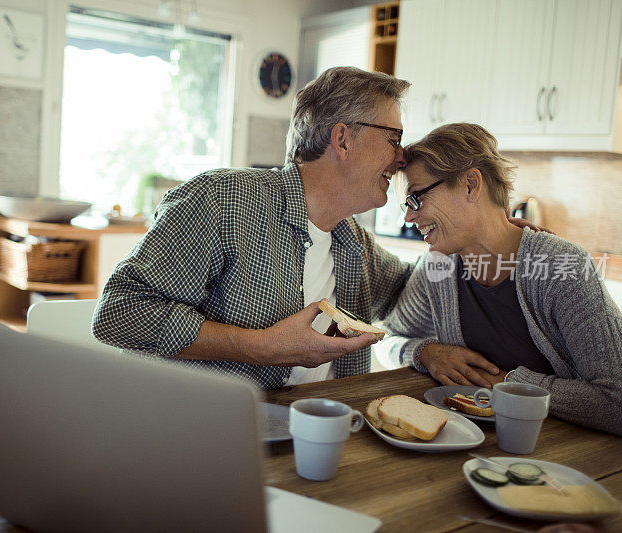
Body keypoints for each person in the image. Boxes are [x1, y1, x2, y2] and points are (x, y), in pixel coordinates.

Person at [92, 66, 414, 388]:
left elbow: (417, 295)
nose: (402, 157)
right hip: (201, 428)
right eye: (393, 139)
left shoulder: (353, 242)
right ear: (342, 140)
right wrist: (262, 347)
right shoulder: (220, 199)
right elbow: (120, 313)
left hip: (316, 430)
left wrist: (425, 350)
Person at [378, 122, 622, 435]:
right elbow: (388, 339)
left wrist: (508, 384)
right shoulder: (438, 268)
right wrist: (426, 353)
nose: (409, 216)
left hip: (573, 458)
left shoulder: (561, 266)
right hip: (478, 444)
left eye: (416, 198)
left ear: (470, 185)